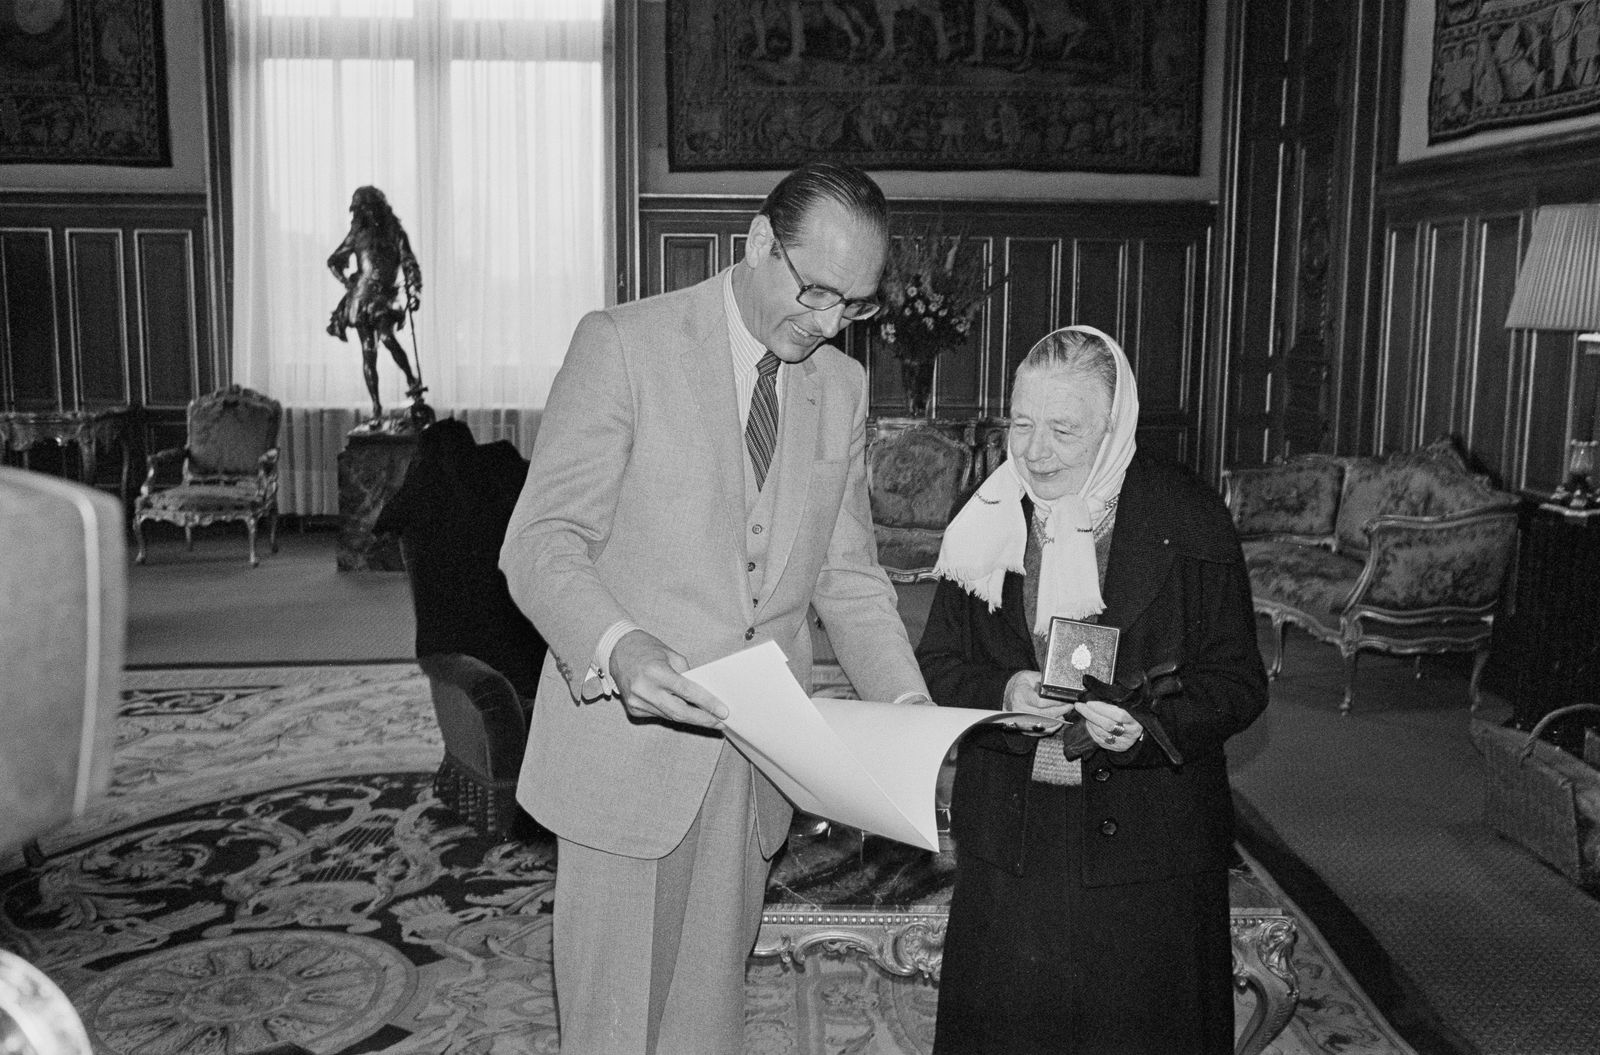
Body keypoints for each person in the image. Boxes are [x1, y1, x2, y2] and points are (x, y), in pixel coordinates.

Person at [499, 161, 932, 1055]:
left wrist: (907, 710)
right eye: (815, 291)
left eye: (852, 307)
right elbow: (539, 542)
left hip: (752, 765)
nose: (825, 325)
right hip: (624, 750)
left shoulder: (840, 389)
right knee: (614, 1030)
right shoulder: (624, 344)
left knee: (704, 1027)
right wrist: (620, 648)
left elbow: (847, 577)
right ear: (757, 244)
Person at [917, 324, 1269, 1055]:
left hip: (1149, 848)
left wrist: (1149, 726)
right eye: (1020, 423)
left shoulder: (1189, 518)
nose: (1034, 451)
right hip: (1015, 838)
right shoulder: (982, 523)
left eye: (1062, 429)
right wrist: (1005, 687)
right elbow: (940, 662)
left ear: (1113, 428)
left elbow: (1237, 681)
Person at [326, 185, 428, 429]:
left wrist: (413, 290)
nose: (365, 214)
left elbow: (409, 262)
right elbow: (333, 261)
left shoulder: (395, 232)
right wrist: (347, 283)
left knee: (387, 337)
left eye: (368, 208)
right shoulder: (357, 235)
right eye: (362, 210)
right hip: (361, 297)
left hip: (384, 296)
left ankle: (413, 383)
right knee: (368, 352)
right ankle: (376, 408)